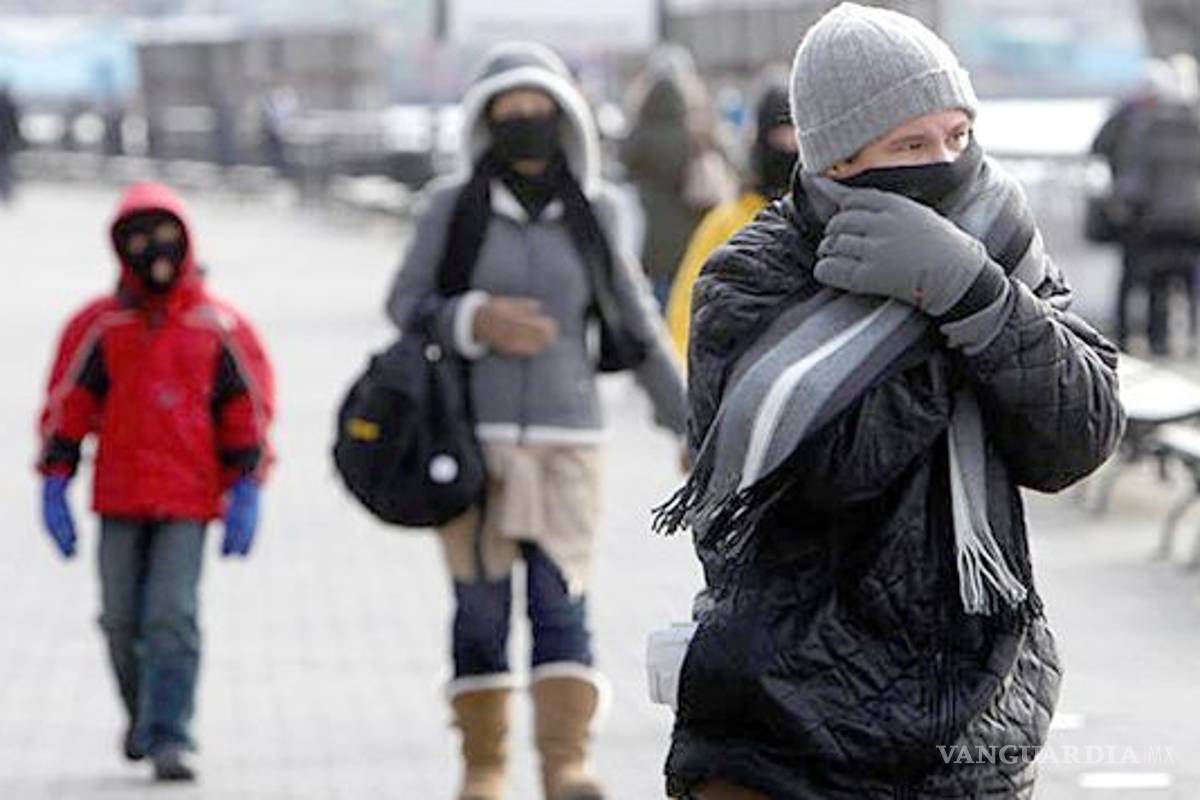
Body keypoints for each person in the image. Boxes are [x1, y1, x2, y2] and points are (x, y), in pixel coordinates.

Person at [654, 5, 1125, 798]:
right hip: (789, 726)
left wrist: (976, 294)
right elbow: (836, 467)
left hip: (973, 720)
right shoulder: (751, 276)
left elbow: (1078, 435)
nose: (945, 164)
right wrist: (945, 312)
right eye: (911, 145)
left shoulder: (998, 247)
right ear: (838, 160)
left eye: (958, 137)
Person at [385, 43, 686, 800]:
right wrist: (472, 318)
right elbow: (404, 302)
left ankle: (565, 766)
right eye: (508, 112)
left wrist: (690, 425)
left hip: (568, 442)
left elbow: (637, 323)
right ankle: (483, 767)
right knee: (481, 610)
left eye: (539, 109)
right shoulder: (451, 208)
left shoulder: (601, 209)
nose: (525, 123)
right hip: (471, 442)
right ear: (485, 122)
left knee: (562, 604)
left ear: (567, 117)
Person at [36, 181, 276, 783]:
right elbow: (70, 404)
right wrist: (54, 478)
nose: (155, 250)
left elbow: (247, 410)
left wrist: (248, 485)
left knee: (171, 613)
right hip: (119, 497)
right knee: (120, 617)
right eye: (139, 238)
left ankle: (172, 732)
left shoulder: (216, 326)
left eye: (165, 235)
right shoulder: (101, 326)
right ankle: (142, 713)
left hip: (189, 499)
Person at [665, 73, 798, 362]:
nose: (789, 147)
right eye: (779, 135)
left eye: (796, 135)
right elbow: (687, 306)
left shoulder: (835, 219)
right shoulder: (726, 224)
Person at [1094, 58, 1200, 355]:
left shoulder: (1143, 124)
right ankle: (1186, 340)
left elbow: (1133, 177)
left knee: (1146, 280)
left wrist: (1120, 208)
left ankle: (1142, 340)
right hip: (1192, 220)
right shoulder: (1194, 124)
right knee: (1186, 282)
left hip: (1152, 221)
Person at [622, 45, 736, 308]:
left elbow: (621, 170)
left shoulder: (638, 135)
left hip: (652, 243)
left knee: (659, 306)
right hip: (695, 235)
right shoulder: (698, 132)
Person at [0, 82, 22, 204]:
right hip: (6, 141)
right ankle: (6, 193)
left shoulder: (10, 105)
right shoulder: (10, 105)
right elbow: (15, 124)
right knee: (5, 168)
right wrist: (18, 138)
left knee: (5, 168)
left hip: (5, 140)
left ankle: (5, 193)